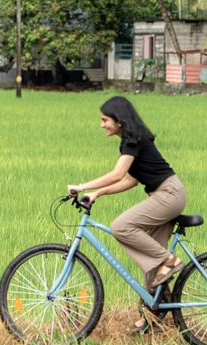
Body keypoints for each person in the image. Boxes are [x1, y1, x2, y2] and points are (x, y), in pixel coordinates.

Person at [68, 96, 186, 332]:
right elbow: (130, 180)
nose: (102, 125)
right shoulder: (132, 141)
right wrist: (97, 194)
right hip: (164, 195)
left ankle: (170, 260)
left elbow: (116, 174)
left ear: (119, 120)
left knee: (121, 226)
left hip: (169, 194)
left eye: (105, 120)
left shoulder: (134, 141)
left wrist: (82, 187)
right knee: (151, 261)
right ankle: (155, 313)